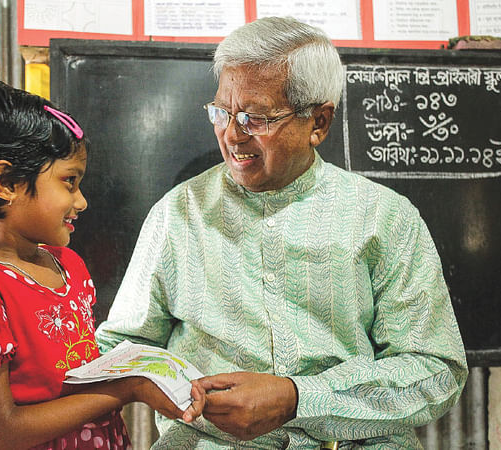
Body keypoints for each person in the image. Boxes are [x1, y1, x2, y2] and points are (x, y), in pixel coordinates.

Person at [95, 16, 468, 449]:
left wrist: (298, 399)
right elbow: (122, 348)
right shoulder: (179, 214)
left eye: (255, 118)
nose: (232, 135)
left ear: (319, 123)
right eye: (222, 112)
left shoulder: (384, 218)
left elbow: (436, 369)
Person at [0, 82, 204, 450]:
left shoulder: (69, 265)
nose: (81, 201)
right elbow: (1, 434)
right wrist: (125, 389)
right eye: (69, 182)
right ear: (7, 182)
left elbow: (77, 376)